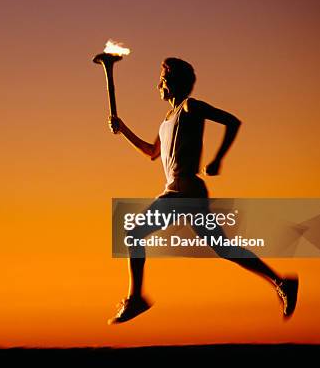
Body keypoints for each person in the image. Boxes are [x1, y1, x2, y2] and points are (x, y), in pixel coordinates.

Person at [107, 57, 298, 325]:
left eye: (162, 78)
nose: (158, 83)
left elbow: (232, 122)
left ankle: (136, 297)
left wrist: (218, 158)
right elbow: (152, 152)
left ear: (173, 82)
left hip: (183, 191)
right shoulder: (167, 119)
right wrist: (123, 128)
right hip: (184, 192)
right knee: (222, 247)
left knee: (134, 232)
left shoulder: (190, 107)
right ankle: (281, 282)